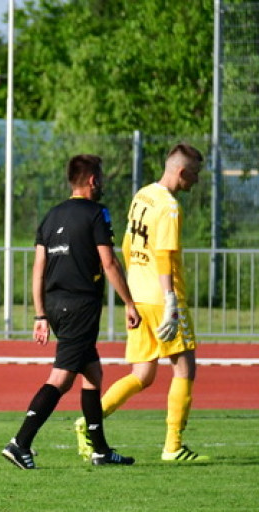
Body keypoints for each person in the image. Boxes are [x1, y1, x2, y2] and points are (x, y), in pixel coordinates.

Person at [2, 154, 140, 470]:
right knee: (61, 379)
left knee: (93, 373)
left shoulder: (50, 217)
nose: (102, 183)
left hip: (54, 305)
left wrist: (40, 315)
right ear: (92, 180)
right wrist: (129, 303)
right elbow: (109, 262)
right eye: (100, 177)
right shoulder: (97, 213)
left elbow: (39, 269)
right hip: (80, 306)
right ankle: (20, 442)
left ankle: (101, 450)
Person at [76, 143, 209, 463]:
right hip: (162, 298)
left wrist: (131, 292)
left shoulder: (143, 195)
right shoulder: (169, 206)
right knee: (185, 368)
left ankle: (88, 422)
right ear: (181, 172)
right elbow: (163, 254)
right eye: (195, 174)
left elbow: (125, 242)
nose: (197, 181)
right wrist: (171, 300)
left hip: (139, 294)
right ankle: (173, 446)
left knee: (143, 374)